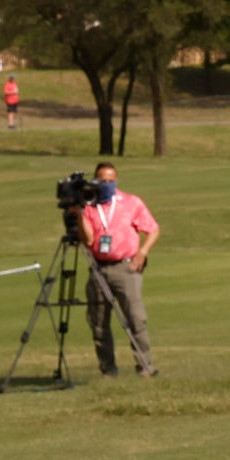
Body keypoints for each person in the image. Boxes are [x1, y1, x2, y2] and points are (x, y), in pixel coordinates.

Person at [79, 161, 159, 378]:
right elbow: (87, 239)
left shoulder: (131, 202)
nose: (106, 184)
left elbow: (152, 229)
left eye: (110, 181)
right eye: (102, 180)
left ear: (116, 181)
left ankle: (145, 367)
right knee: (98, 323)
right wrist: (77, 212)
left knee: (135, 318)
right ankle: (108, 369)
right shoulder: (88, 205)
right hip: (98, 269)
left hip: (126, 268)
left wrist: (143, 252)